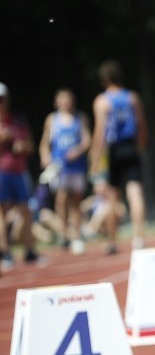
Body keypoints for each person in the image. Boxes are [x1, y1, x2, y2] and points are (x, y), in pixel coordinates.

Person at [89, 59, 148, 254]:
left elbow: (100, 132)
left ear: (104, 79)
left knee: (112, 197)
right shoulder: (132, 97)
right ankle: (138, 237)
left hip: (114, 149)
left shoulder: (102, 101)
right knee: (135, 193)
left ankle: (112, 240)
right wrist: (140, 145)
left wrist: (95, 158)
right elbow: (141, 124)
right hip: (131, 147)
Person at [38, 88, 91, 254]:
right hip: (60, 167)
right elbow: (45, 143)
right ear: (57, 102)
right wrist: (45, 157)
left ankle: (75, 232)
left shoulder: (80, 118)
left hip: (77, 167)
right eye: (62, 99)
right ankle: (63, 233)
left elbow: (87, 140)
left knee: (76, 201)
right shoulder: (52, 120)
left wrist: (78, 150)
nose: (66, 102)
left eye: (68, 99)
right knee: (61, 199)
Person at [0, 82, 40, 269]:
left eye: (2, 99)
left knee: (26, 209)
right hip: (1, 171)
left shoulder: (18, 121)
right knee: (2, 212)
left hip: (19, 171)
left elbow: (31, 145)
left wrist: (23, 147)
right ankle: (5, 252)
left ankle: (29, 250)